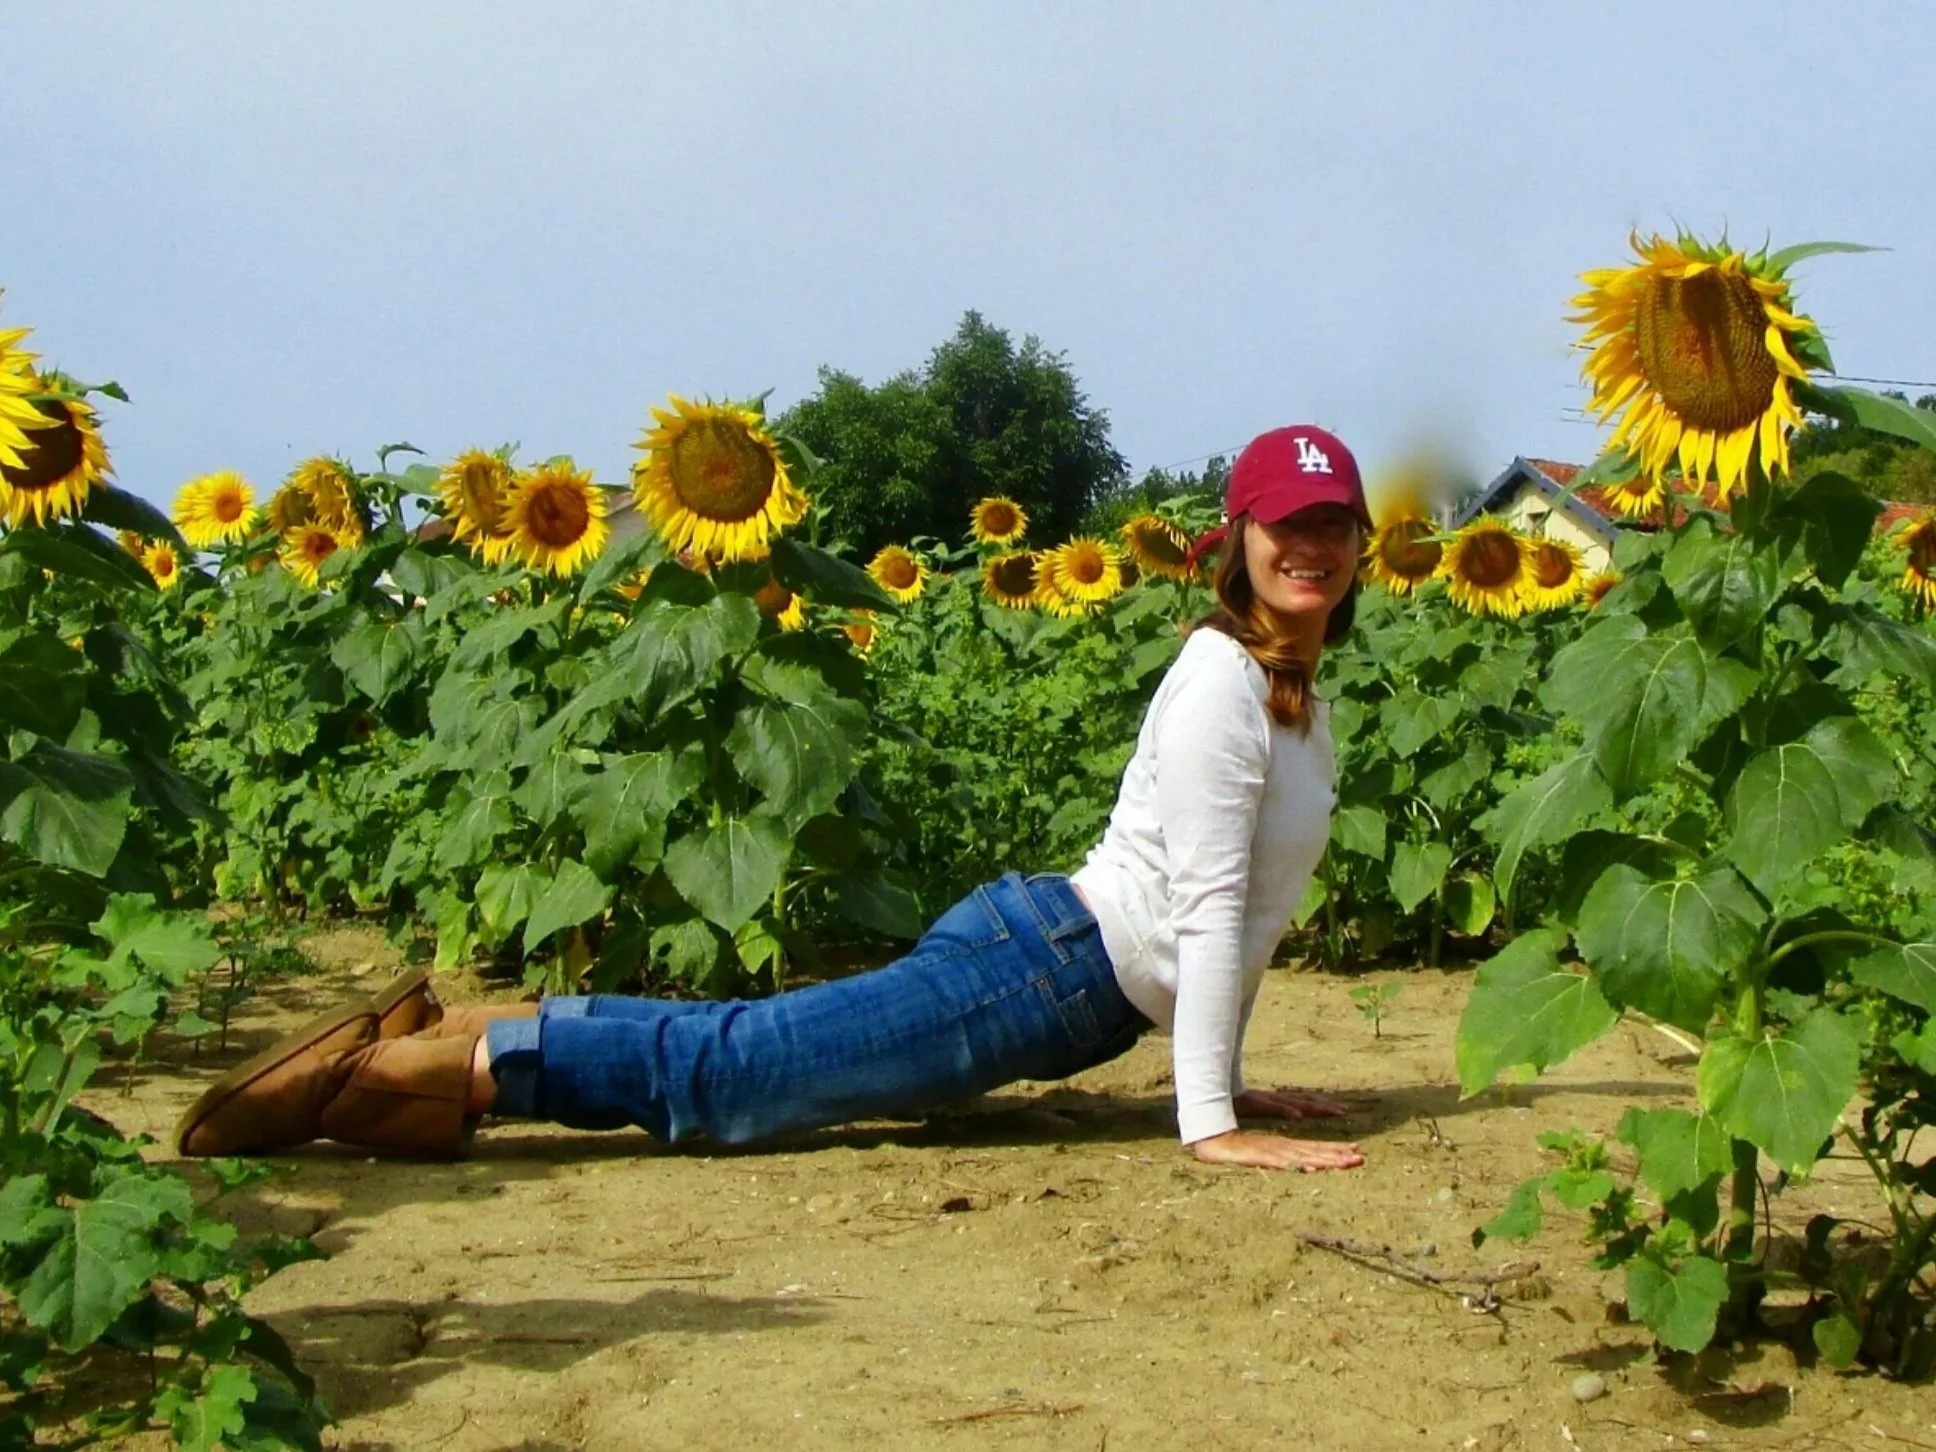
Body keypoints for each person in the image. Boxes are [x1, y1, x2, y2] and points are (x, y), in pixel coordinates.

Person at [175, 424, 1370, 1175]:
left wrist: (1228, 1078)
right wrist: (1210, 1120)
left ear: (1359, 546)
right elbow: (1206, 907)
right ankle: (428, 1079)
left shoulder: (1291, 696)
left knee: (752, 1053)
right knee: (741, 1079)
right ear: (1238, 538)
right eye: (1288, 524)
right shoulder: (1222, 679)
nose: (1309, 546)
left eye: (1333, 525)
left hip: (1057, 973)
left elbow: (1243, 917)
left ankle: (461, 1031)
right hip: (1044, 974)